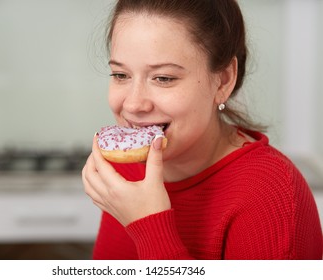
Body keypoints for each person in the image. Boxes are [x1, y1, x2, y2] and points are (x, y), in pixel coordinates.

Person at [82, 0, 323, 259]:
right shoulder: (125, 174)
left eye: (163, 78)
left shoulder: (271, 194)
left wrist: (149, 225)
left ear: (223, 81)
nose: (133, 104)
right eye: (120, 75)